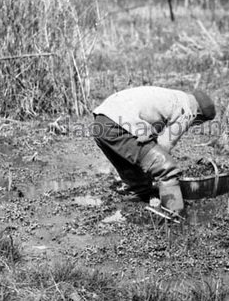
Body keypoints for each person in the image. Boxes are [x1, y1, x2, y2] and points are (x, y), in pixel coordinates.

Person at [92, 86, 216, 215]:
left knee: (137, 175)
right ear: (199, 116)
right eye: (197, 123)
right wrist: (161, 167)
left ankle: (136, 201)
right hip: (117, 125)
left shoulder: (173, 97)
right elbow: (165, 144)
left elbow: (152, 128)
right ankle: (174, 214)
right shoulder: (189, 111)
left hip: (100, 123)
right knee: (167, 169)